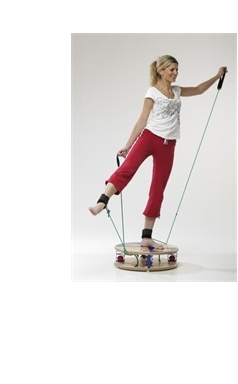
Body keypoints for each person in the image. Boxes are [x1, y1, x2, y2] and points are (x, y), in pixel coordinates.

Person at [89, 55, 227, 250]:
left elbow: (198, 89)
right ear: (161, 71)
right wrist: (128, 145)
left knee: (158, 188)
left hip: (168, 145)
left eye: (177, 69)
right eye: (172, 69)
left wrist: (217, 75)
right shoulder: (152, 92)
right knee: (127, 169)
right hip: (149, 138)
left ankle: (147, 236)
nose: (175, 73)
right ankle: (101, 203)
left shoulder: (177, 91)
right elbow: (142, 120)